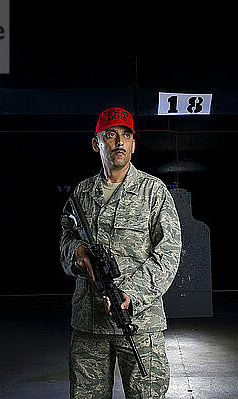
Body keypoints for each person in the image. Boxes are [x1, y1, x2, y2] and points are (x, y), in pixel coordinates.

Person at [60, 106, 182, 398]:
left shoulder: (153, 191)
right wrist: (75, 252)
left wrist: (133, 294)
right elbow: (66, 238)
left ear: (133, 144)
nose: (119, 142)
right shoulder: (81, 194)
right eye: (111, 135)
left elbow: (169, 252)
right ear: (96, 143)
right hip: (89, 325)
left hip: (140, 324)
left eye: (126, 136)